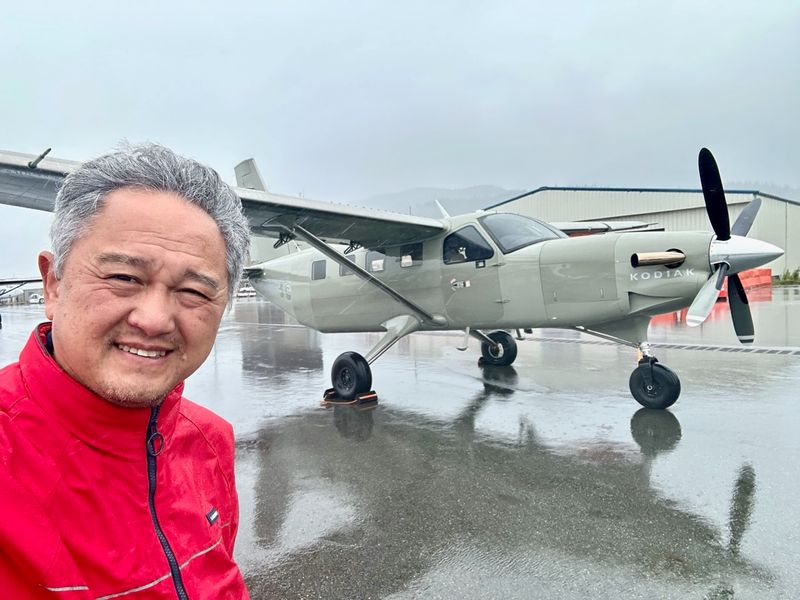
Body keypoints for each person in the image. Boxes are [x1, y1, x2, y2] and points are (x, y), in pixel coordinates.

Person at [0, 144, 251, 599]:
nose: (154, 319)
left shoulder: (211, 442)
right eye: (123, 278)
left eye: (193, 290)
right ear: (53, 283)